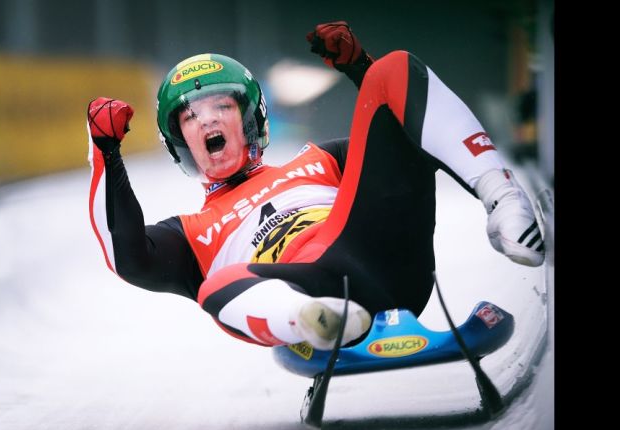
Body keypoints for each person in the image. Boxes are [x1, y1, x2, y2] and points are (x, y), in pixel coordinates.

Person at [86, 21, 544, 351]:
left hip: (378, 252)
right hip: (301, 285)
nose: (206, 119)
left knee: (395, 67)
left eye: (221, 105)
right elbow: (127, 257)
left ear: (248, 119)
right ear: (181, 141)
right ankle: (317, 320)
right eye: (189, 116)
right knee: (216, 288)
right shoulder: (189, 232)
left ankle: (506, 203)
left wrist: (362, 71)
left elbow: (405, 138)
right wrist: (105, 150)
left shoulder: (319, 158)